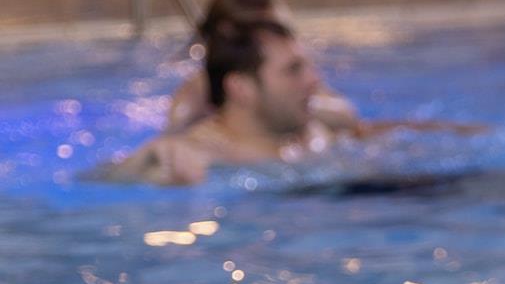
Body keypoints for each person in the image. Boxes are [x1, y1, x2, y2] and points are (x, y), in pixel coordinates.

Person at [109, 19, 337, 185]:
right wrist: (143, 162)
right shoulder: (193, 156)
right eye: (293, 70)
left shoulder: (314, 136)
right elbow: (106, 182)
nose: (313, 80)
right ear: (241, 87)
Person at [164, 0, 359, 134]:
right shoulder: (197, 92)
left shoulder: (292, 78)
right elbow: (174, 135)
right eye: (267, 28)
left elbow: (347, 116)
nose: (279, 35)